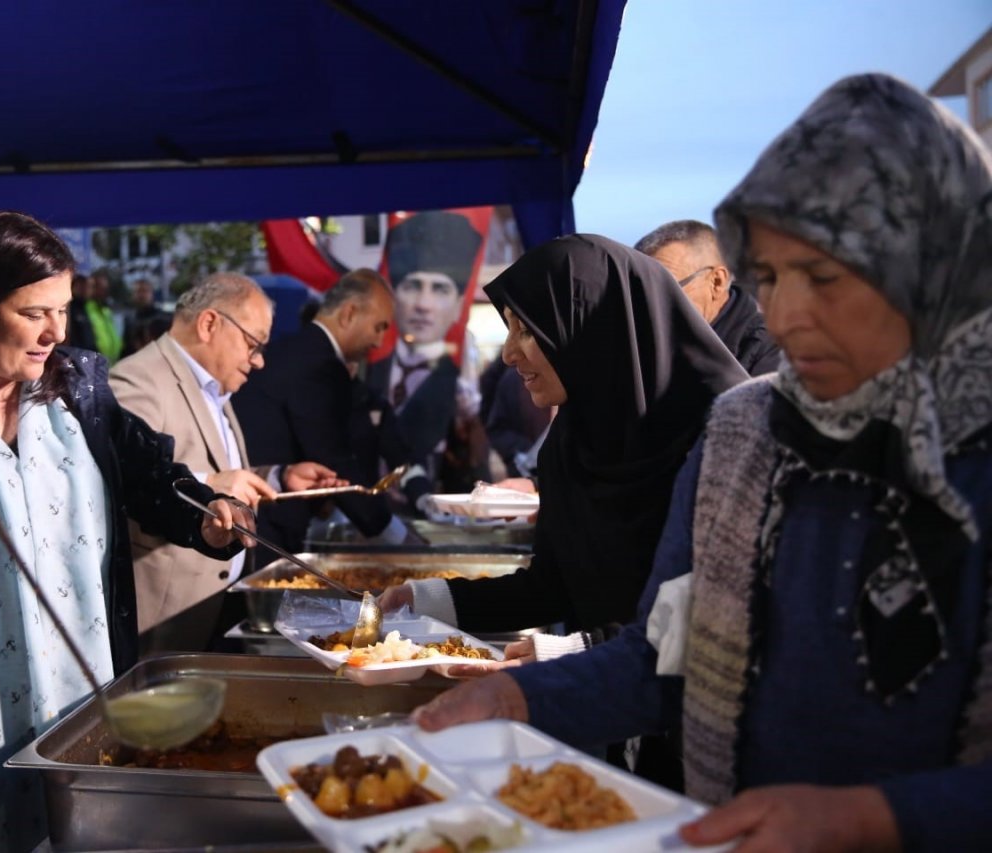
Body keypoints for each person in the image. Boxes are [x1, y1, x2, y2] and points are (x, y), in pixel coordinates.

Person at [410, 73, 992, 851]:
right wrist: (516, 696)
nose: (783, 317)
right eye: (771, 279)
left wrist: (874, 820)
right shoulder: (745, 432)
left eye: (821, 276)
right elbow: (663, 654)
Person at [0, 211, 248, 852]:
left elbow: (151, 474)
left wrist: (206, 511)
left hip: (80, 691)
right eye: (34, 313)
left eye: (62, 310)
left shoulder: (79, 389)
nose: (55, 332)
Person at [379, 235, 747, 640]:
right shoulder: (571, 442)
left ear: (593, 329)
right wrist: (422, 598)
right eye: (509, 329)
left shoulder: (729, 436)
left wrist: (574, 652)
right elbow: (552, 588)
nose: (508, 353)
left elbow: (725, 617)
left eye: (527, 331)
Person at [110, 272, 340, 651]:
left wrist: (279, 478)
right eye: (253, 344)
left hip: (217, 610)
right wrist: (214, 484)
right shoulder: (139, 382)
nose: (260, 361)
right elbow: (128, 489)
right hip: (164, 627)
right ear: (209, 324)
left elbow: (221, 471)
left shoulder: (212, 382)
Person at [234, 268, 416, 552]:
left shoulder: (303, 351)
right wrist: (393, 534)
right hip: (267, 523)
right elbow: (333, 454)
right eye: (379, 327)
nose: (379, 341)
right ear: (348, 314)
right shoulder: (318, 364)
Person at [366, 211, 484, 469]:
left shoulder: (457, 374)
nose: (423, 305)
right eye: (412, 286)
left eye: (440, 289)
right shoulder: (368, 368)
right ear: (393, 297)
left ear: (458, 306)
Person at [636, 219, 781, 375]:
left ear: (716, 282)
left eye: (666, 288)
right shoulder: (634, 339)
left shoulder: (775, 350)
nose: (650, 302)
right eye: (637, 290)